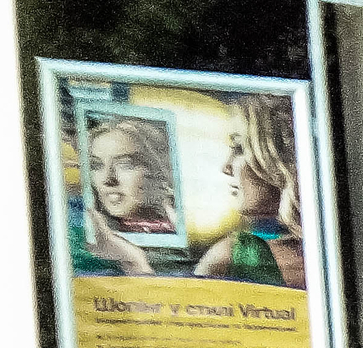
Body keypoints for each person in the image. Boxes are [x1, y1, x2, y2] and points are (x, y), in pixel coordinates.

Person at [194, 96, 307, 289]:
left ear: (276, 158)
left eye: (238, 149)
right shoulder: (228, 256)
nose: (226, 167)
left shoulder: (230, 255)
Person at [74, 113, 180, 276]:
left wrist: (134, 262)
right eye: (97, 165)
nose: (108, 179)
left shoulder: (182, 232)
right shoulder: (80, 240)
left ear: (156, 172)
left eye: (125, 164)